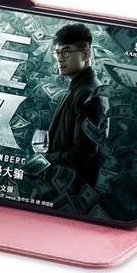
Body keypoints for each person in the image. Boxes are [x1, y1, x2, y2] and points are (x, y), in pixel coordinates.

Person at [44, 23, 106, 194]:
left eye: (66, 52)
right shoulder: (80, 88)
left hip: (73, 188)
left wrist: (47, 158)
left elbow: (84, 154)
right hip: (64, 183)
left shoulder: (88, 93)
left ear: (86, 54)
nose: (60, 58)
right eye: (57, 53)